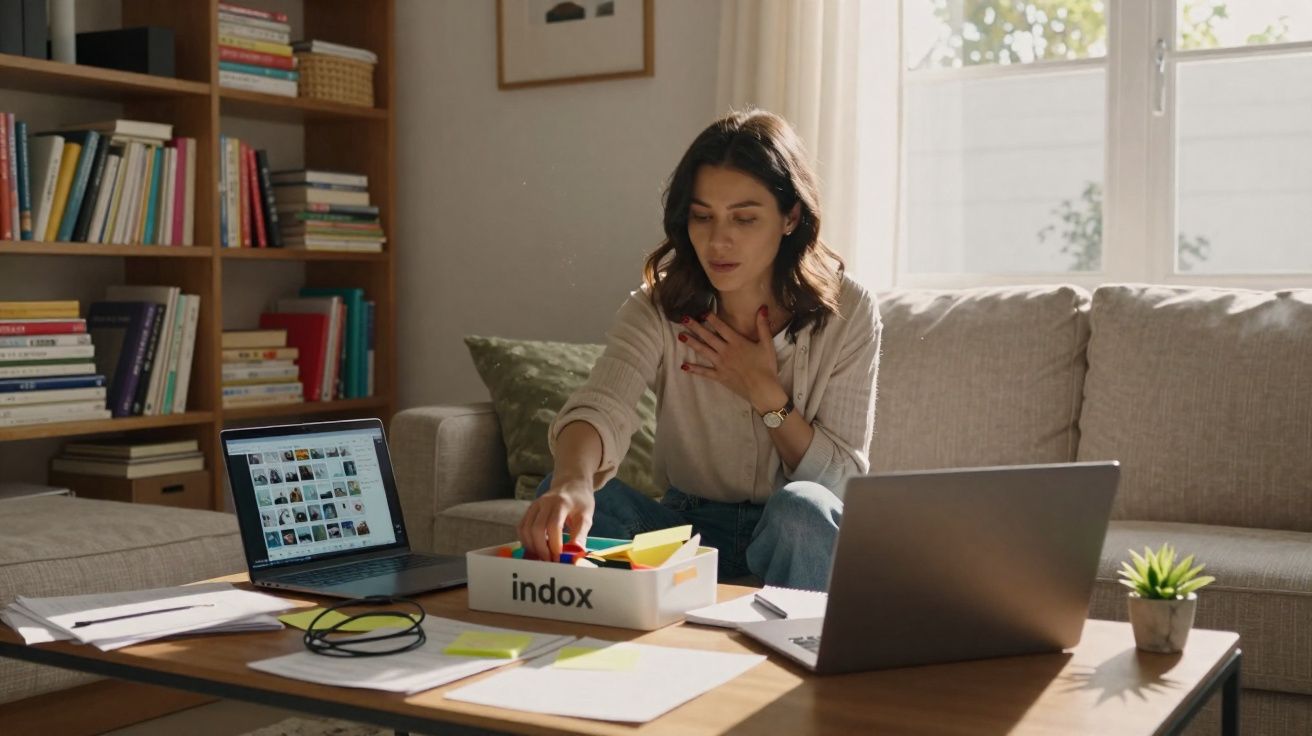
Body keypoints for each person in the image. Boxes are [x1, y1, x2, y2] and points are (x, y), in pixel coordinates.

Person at [516, 109, 881, 591]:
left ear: (790, 216)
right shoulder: (659, 306)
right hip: (682, 529)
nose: (718, 240)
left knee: (804, 511)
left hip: (790, 532)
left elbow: (842, 482)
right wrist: (571, 481)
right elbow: (604, 401)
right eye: (702, 216)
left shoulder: (848, 309)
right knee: (561, 493)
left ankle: (801, 654)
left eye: (744, 218)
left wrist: (765, 392)